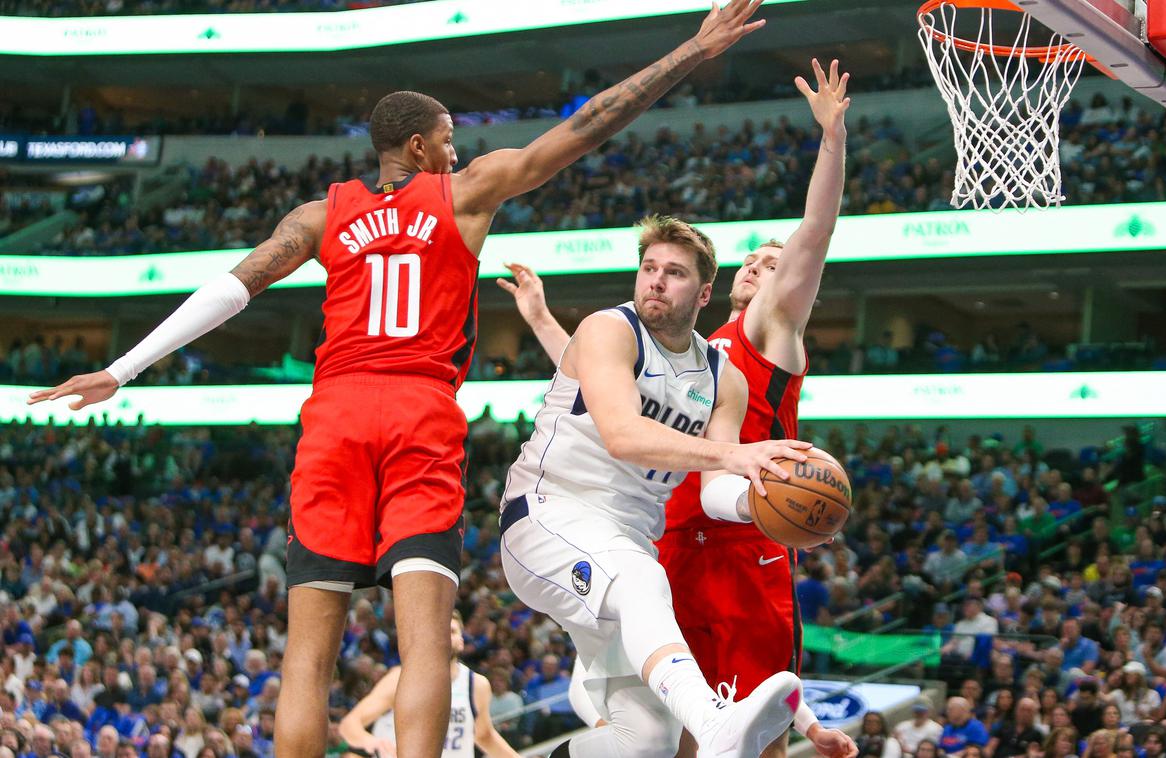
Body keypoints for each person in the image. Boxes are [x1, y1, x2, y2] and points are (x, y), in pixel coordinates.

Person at [26, 3, 769, 757]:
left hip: (335, 420)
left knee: (306, 660)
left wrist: (122, 369)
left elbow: (234, 287)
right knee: (424, 651)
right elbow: (585, 128)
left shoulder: (321, 215)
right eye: (448, 142)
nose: (457, 153)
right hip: (419, 415)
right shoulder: (464, 194)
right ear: (417, 146)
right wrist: (690, 53)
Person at [499, 57, 854, 758]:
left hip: (729, 534)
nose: (762, 265)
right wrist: (543, 324)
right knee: (663, 640)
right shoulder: (659, 339)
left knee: (652, 743)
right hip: (626, 532)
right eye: (752, 259)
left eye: (771, 263)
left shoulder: (752, 348)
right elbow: (606, 399)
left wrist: (832, 139)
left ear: (701, 288)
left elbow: (814, 233)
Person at [338, 612, 520, 758]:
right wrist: (373, 743)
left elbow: (484, 736)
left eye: (452, 631)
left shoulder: (476, 684)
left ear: (462, 641)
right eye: (438, 630)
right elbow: (350, 724)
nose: (445, 636)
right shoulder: (400, 678)